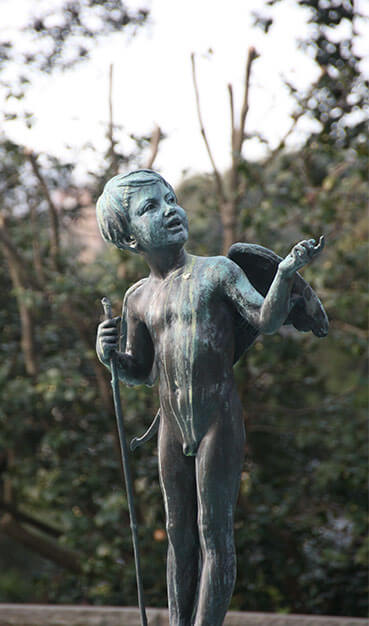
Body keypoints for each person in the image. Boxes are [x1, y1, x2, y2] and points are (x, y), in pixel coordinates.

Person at [95, 169, 324, 626]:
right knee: (179, 535)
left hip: (217, 417)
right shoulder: (137, 297)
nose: (171, 210)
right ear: (129, 238)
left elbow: (264, 318)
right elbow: (140, 371)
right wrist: (110, 358)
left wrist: (282, 273)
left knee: (212, 533)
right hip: (171, 424)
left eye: (171, 198)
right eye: (151, 208)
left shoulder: (217, 271)